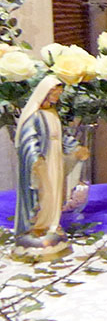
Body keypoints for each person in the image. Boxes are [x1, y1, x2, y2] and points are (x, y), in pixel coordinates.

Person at [14, 76, 89, 260]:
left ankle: (52, 224)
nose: (57, 97)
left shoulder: (53, 113)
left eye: (58, 94)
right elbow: (28, 139)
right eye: (54, 93)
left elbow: (60, 137)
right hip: (42, 163)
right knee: (43, 193)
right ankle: (37, 225)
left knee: (55, 194)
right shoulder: (34, 116)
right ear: (45, 93)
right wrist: (35, 159)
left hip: (55, 160)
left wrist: (76, 148)